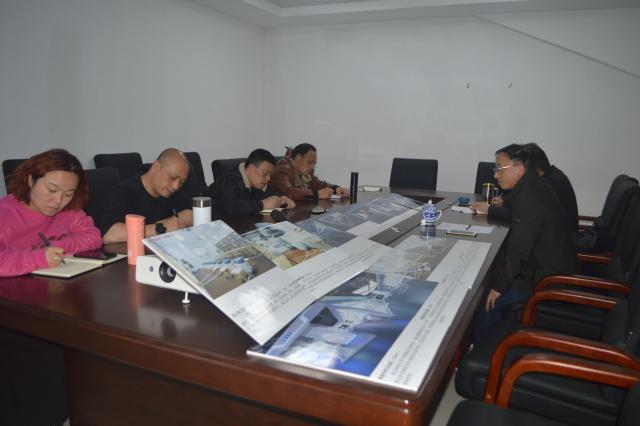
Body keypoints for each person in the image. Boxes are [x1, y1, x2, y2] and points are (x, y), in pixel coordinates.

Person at [474, 144, 577, 339]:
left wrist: (498, 287)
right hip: (541, 268)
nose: (495, 175)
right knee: (492, 278)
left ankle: (486, 348)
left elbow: (518, 250)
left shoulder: (531, 197)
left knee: (487, 298)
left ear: (519, 168)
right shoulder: (531, 185)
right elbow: (517, 210)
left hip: (546, 280)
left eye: (500, 169)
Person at [0, 148, 102, 277]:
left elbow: (93, 236)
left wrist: (58, 248)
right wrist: (39, 257)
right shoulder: (4, 214)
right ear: (31, 180)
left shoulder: (68, 209)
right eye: (52, 190)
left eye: (68, 194)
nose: (58, 201)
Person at [472, 143, 579, 243]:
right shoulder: (548, 176)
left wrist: (490, 209)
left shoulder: (550, 184)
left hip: (559, 241)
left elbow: (521, 215)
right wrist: (504, 201)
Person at [98, 148, 194, 244]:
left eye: (181, 182)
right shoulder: (125, 191)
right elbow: (109, 235)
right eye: (172, 178)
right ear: (156, 167)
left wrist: (169, 224)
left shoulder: (170, 191)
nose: (175, 186)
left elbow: (191, 213)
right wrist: (162, 228)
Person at [214, 148, 295, 216]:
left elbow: (271, 193)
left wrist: (282, 198)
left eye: (269, 175)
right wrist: (263, 205)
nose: (268, 178)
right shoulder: (229, 180)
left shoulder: (257, 182)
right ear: (251, 168)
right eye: (265, 173)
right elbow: (232, 207)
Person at [272, 143, 349, 201]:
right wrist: (317, 194)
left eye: (314, 163)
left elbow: (317, 184)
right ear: (298, 157)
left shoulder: (305, 171)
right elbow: (290, 193)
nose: (312, 167)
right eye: (309, 162)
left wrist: (336, 188)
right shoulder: (282, 169)